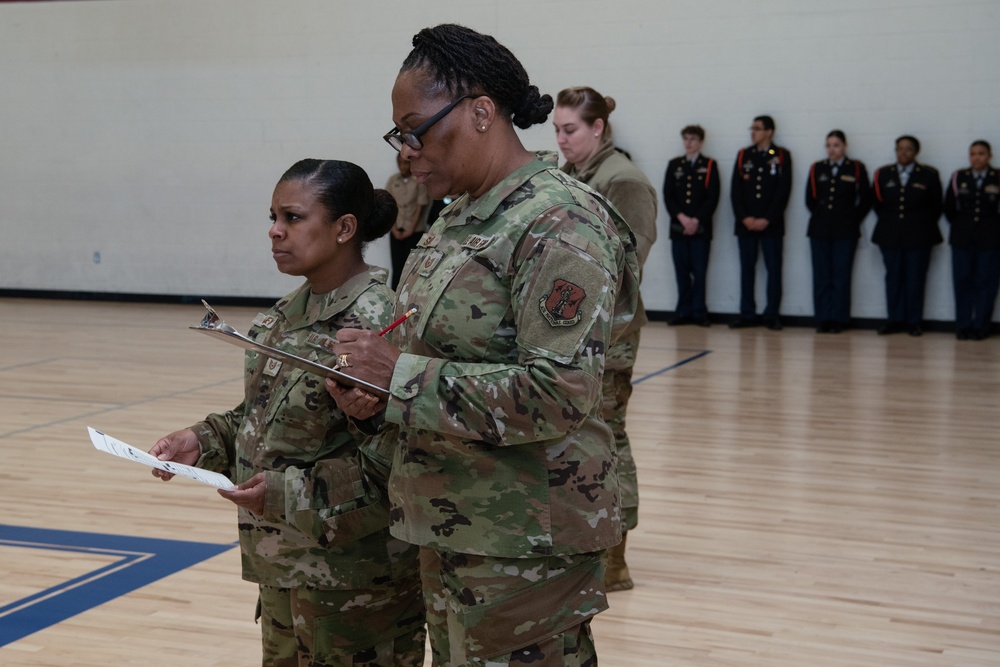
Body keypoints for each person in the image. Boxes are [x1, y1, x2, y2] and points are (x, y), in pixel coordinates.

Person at [326, 24, 640, 667]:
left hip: (524, 548)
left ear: (479, 112)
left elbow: (560, 393)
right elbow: (429, 352)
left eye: (415, 128)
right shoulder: (460, 219)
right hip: (452, 524)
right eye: (399, 135)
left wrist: (402, 379)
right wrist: (374, 392)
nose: (407, 151)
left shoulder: (558, 221)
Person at [149, 159, 425, 667]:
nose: (275, 231)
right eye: (273, 216)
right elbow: (262, 416)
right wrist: (204, 440)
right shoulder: (283, 316)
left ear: (345, 228)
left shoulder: (378, 327)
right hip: (284, 568)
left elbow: (400, 461)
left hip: (354, 586)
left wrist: (285, 493)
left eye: (293, 217)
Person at [553, 85, 658, 593]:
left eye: (570, 129)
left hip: (608, 334)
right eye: (557, 129)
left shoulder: (623, 181)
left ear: (598, 128)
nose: (561, 139)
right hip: (577, 331)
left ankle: (617, 556)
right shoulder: (575, 176)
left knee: (610, 437)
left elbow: (625, 267)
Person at [871, 135, 943, 336]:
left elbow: (936, 205)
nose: (903, 153)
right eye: (899, 149)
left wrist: (917, 224)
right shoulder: (883, 174)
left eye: (908, 149)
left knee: (915, 278)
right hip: (890, 235)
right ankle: (894, 319)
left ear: (915, 152)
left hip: (919, 236)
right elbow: (878, 203)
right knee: (893, 278)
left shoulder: (928, 174)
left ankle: (914, 321)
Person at [805, 130, 873, 333]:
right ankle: (823, 317)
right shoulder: (818, 168)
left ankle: (840, 318)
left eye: (836, 145)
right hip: (820, 229)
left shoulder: (856, 168)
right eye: (828, 145)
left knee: (841, 276)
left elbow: (865, 199)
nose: (832, 149)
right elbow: (811, 199)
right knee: (822, 276)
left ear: (844, 146)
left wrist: (852, 218)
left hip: (845, 230)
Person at [729, 115, 793, 330]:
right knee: (747, 270)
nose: (752, 132)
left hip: (771, 225)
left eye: (757, 128)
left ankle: (771, 314)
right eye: (752, 128)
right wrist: (745, 218)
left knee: (773, 270)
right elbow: (735, 190)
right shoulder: (743, 155)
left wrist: (767, 218)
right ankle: (747, 313)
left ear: (769, 132)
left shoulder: (782, 156)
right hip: (746, 224)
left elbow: (783, 191)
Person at [663, 124, 720, 327]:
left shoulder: (710, 165)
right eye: (686, 138)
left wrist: (695, 220)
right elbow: (668, 196)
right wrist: (683, 219)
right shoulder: (675, 165)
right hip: (679, 228)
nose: (688, 143)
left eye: (693, 139)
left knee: (699, 272)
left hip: (700, 229)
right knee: (681, 272)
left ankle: (699, 312)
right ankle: (683, 311)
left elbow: (712, 197)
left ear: (701, 142)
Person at [944, 139, 1000, 340]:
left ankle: (981, 326)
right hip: (962, 238)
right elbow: (949, 207)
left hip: (990, 239)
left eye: (981, 153)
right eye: (973, 153)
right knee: (962, 281)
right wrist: (963, 227)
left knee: (987, 282)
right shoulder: (959, 176)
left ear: (989, 156)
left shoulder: (997, 177)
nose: (977, 157)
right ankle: (963, 325)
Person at [387, 152, 430, 290]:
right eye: (400, 163)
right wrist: (393, 229)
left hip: (414, 230)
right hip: (396, 229)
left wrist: (411, 229)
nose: (403, 166)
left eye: (406, 163)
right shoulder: (393, 181)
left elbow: (421, 205)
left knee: (411, 268)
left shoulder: (418, 181)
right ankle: (394, 297)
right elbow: (389, 204)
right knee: (397, 266)